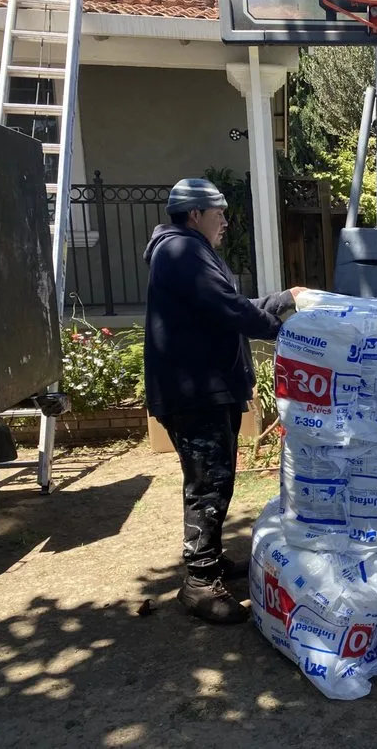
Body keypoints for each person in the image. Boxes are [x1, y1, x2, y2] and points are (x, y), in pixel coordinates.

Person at [143, 177, 304, 625]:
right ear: (196, 214)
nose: (225, 224)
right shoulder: (182, 251)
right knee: (208, 484)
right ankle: (198, 583)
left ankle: (208, 562)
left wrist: (282, 300)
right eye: (220, 215)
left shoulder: (185, 252)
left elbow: (227, 304)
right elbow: (227, 307)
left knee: (217, 479)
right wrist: (285, 330)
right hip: (196, 393)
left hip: (203, 390)